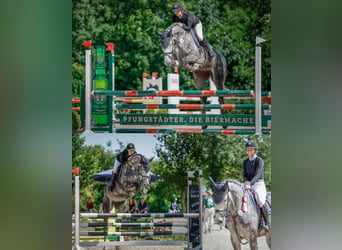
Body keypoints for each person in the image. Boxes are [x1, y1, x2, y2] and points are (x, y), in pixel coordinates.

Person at [243, 140, 270, 231]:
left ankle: (267, 223)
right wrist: (246, 181)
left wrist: (250, 183)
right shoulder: (245, 162)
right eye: (247, 149)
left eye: (251, 149)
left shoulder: (259, 161)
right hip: (248, 184)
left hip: (258, 184)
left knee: (260, 200)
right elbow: (244, 175)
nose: (249, 151)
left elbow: (258, 174)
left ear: (255, 150)